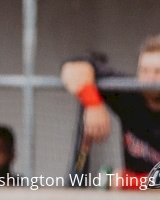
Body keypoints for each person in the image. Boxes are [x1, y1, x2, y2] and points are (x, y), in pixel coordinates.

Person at [61, 35, 160, 190]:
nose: (149, 78)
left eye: (157, 72)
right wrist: (93, 103)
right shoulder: (131, 94)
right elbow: (73, 67)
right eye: (144, 70)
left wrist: (129, 181)